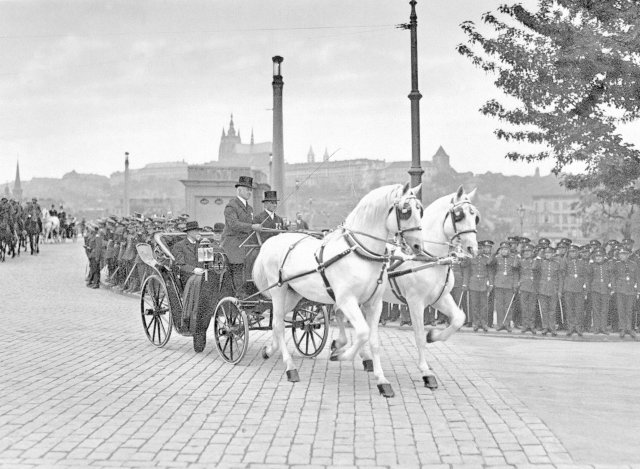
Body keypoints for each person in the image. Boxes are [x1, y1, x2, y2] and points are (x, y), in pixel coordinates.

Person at [173, 220, 214, 352]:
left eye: (198, 230)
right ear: (189, 232)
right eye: (195, 231)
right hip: (188, 276)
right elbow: (180, 264)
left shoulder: (203, 244)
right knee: (199, 284)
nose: (197, 233)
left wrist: (205, 246)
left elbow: (208, 262)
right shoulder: (179, 246)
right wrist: (194, 270)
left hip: (203, 276)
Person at [221, 176, 262, 296]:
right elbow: (234, 224)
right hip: (232, 243)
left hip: (246, 243)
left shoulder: (249, 208)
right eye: (247, 189)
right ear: (239, 190)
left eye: (251, 190)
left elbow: (251, 225)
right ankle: (240, 293)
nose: (250, 192)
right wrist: (252, 227)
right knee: (239, 264)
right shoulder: (231, 206)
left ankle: (256, 290)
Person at [464, 240, 495, 332]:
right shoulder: (471, 258)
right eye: (477, 248)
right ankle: (476, 323)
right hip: (473, 283)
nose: (479, 250)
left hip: (483, 284)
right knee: (475, 305)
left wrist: (491, 283)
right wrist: (465, 283)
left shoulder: (486, 259)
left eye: (480, 248)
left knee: (484, 305)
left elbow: (490, 273)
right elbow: (467, 272)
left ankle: (484, 323)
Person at [561, 245, 589, 336]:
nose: (573, 253)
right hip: (569, 287)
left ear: (578, 253)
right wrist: (563, 288)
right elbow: (562, 275)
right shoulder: (566, 262)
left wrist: (585, 287)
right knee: (569, 309)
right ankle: (570, 327)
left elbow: (586, 275)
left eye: (575, 252)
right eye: (571, 252)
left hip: (579, 288)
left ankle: (578, 327)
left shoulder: (582, 262)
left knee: (579, 308)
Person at [612, 247, 639, 339]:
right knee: (621, 309)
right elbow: (613, 277)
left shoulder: (634, 264)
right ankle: (622, 328)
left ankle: (629, 328)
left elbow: (637, 277)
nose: (621, 256)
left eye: (624, 254)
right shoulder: (616, 264)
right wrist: (614, 288)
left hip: (631, 289)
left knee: (629, 309)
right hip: (620, 289)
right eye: (620, 254)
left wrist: (638, 289)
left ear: (628, 255)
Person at [493, 241, 519, 332]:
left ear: (509, 250)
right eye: (502, 249)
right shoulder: (496, 258)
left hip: (509, 285)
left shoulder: (513, 259)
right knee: (499, 306)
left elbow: (516, 273)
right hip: (499, 284)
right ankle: (500, 324)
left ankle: (507, 324)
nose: (504, 251)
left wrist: (515, 285)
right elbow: (492, 271)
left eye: (506, 249)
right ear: (500, 250)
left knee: (508, 306)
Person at [538, 246, 563, 336]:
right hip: (543, 289)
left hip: (553, 289)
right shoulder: (541, 263)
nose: (547, 255)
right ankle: (545, 327)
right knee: (544, 310)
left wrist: (559, 291)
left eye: (549, 253)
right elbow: (537, 275)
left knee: (552, 310)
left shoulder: (557, 264)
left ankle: (552, 328)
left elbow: (560, 278)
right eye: (546, 253)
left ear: (553, 254)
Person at [516, 243, 540, 334]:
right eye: (525, 252)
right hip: (524, 286)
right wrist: (518, 253)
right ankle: (525, 325)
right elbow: (515, 265)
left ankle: (531, 325)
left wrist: (536, 258)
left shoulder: (535, 261)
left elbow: (536, 270)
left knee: (532, 308)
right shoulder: (521, 261)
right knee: (524, 307)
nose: (526, 253)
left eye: (529, 252)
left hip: (533, 287)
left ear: (532, 252)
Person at [588, 248, 613, 334]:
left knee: (604, 309)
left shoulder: (608, 265)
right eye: (596, 257)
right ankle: (596, 328)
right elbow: (589, 278)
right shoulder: (592, 266)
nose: (598, 258)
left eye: (600, 256)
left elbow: (611, 276)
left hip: (605, 289)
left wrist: (611, 286)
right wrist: (589, 289)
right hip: (595, 289)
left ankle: (603, 328)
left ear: (603, 257)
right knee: (596, 309)